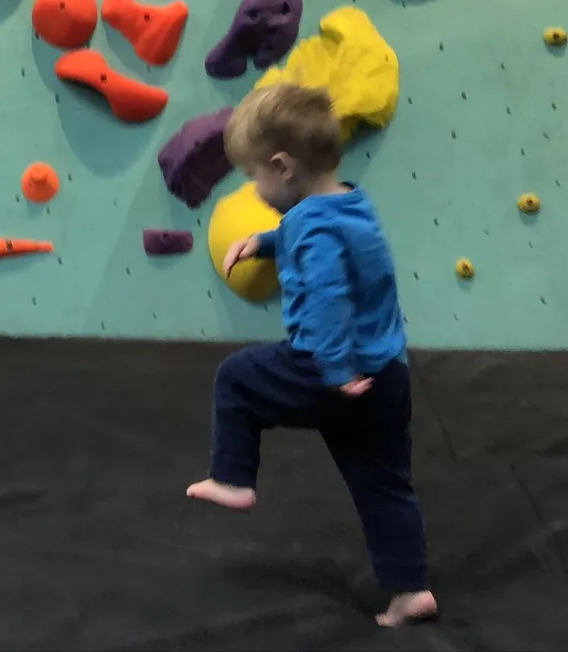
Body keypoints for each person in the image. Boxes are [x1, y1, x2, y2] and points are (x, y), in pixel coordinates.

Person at [187, 82, 437, 629]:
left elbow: (328, 299)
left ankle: (233, 477)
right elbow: (328, 238)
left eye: (253, 176)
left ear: (282, 167)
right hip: (387, 375)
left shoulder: (306, 227)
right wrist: (265, 242)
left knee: (236, 378)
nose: (253, 188)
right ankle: (409, 590)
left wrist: (334, 370)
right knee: (385, 483)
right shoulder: (351, 201)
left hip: (331, 370)